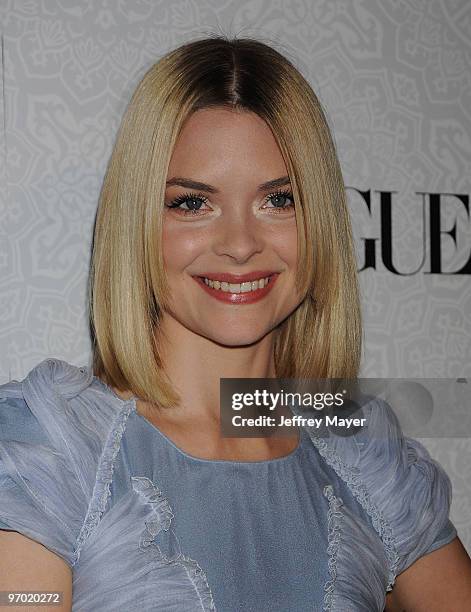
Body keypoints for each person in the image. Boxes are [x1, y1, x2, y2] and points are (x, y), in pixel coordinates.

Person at [0, 35, 470, 612]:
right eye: (193, 203)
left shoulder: (361, 451)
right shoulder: (54, 450)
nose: (242, 245)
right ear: (138, 220)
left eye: (279, 200)